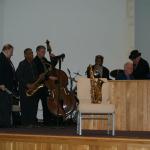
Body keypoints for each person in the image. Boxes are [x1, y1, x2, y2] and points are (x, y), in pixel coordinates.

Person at [33, 45, 58, 126]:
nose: (43, 53)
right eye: (42, 52)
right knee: (35, 104)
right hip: (38, 85)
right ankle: (33, 120)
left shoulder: (44, 60)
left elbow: (51, 67)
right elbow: (38, 73)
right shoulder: (34, 61)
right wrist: (49, 77)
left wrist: (54, 59)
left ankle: (47, 121)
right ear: (37, 52)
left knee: (46, 103)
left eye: (44, 52)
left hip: (45, 85)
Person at [16, 48, 40, 127]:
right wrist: (27, 84)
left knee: (34, 106)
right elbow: (18, 76)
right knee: (25, 106)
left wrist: (39, 79)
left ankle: (32, 122)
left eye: (32, 53)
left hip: (34, 89)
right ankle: (25, 124)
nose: (32, 55)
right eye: (29, 53)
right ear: (25, 55)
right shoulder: (22, 64)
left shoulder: (33, 64)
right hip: (24, 89)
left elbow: (36, 76)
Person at [0, 44, 17, 127]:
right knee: (4, 106)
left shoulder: (6, 59)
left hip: (7, 88)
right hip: (3, 88)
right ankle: (4, 125)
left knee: (7, 106)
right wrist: (1, 83)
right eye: (11, 51)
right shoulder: (1, 58)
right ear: (7, 50)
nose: (12, 53)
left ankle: (6, 124)